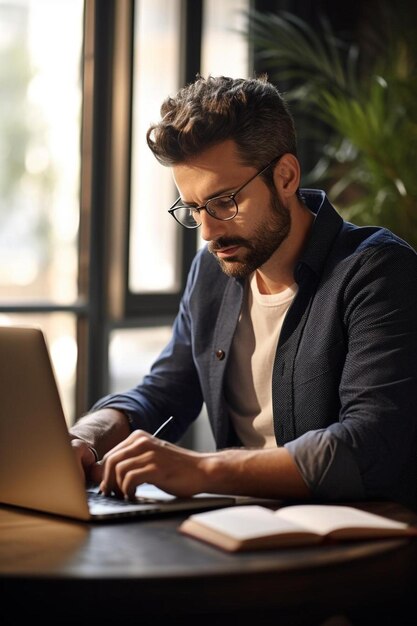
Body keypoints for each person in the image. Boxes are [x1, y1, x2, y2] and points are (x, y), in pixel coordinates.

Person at [70, 74, 417, 509]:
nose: (209, 232)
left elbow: (369, 445)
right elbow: (164, 390)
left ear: (286, 176)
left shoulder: (376, 271)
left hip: (356, 544)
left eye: (225, 201)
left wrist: (201, 470)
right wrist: (85, 437)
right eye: (195, 209)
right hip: (244, 525)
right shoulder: (212, 272)